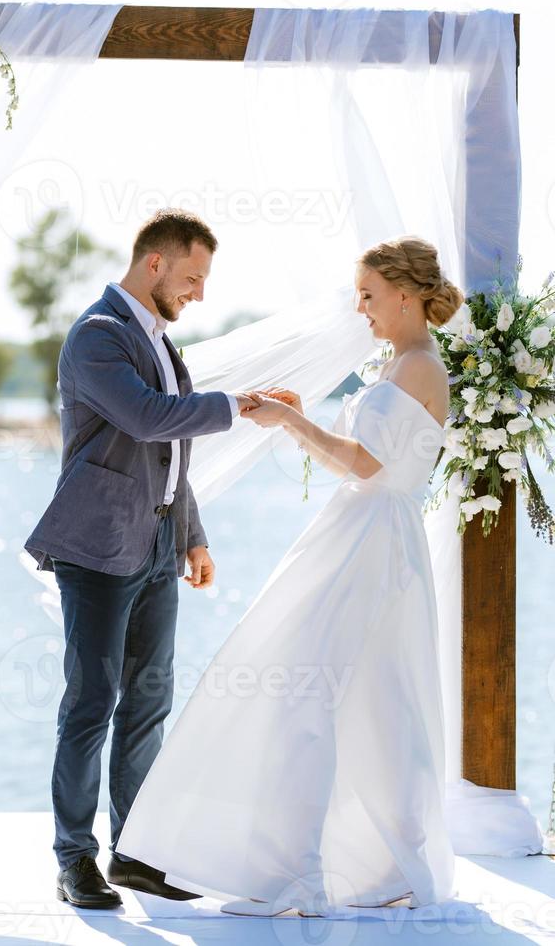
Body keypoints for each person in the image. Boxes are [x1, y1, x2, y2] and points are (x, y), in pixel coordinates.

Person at [115, 236, 465, 916]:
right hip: (353, 533)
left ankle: (304, 870)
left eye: (366, 294)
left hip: (373, 543)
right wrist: (293, 421)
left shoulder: (420, 365)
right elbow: (353, 467)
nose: (359, 308)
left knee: (314, 690)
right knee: (326, 689)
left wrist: (288, 420)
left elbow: (368, 465)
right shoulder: (398, 363)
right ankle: (322, 860)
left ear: (404, 293)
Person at [24, 209, 259, 909]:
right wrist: (240, 405)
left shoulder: (158, 340)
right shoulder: (96, 337)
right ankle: (74, 861)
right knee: (90, 702)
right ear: (153, 264)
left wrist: (191, 534)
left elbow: (168, 456)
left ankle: (135, 851)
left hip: (157, 545)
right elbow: (150, 418)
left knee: (149, 700)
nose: (199, 293)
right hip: (96, 548)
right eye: (192, 277)